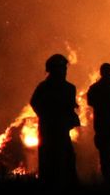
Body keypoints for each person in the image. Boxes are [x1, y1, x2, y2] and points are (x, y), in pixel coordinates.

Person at [29, 53, 79, 185]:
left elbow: (69, 107)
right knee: (50, 159)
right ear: (53, 69)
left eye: (64, 68)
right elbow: (34, 102)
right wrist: (46, 116)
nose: (64, 71)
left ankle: (66, 186)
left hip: (61, 129)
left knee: (67, 159)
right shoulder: (45, 87)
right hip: (49, 130)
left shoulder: (69, 88)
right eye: (61, 68)